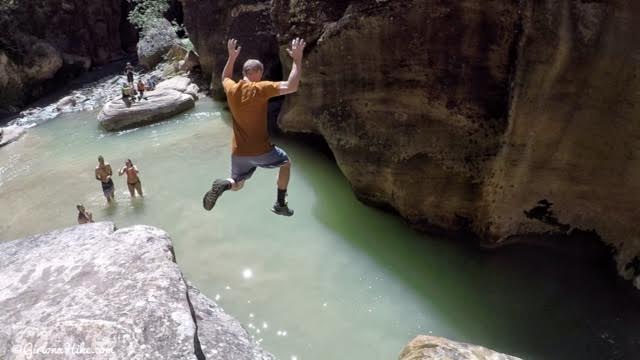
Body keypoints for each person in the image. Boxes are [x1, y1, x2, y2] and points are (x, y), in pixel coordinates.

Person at [202, 37, 306, 216]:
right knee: (286, 163)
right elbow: (292, 85)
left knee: (238, 183)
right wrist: (297, 60)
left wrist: (232, 57)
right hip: (261, 150)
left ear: (244, 72)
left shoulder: (232, 89)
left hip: (239, 152)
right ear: (258, 72)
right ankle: (280, 203)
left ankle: (226, 183)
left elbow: (225, 77)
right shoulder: (261, 88)